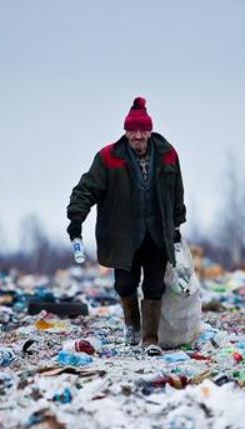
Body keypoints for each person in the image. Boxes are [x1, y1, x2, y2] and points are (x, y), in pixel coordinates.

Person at [67, 97, 186, 355]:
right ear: (126, 132)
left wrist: (176, 225)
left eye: (143, 131)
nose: (138, 136)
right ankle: (132, 325)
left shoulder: (167, 154)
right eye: (133, 131)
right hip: (122, 234)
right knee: (125, 284)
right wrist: (76, 218)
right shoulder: (108, 158)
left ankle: (150, 339)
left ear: (150, 131)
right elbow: (87, 189)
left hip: (156, 233)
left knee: (155, 286)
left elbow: (177, 191)